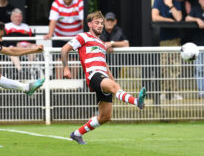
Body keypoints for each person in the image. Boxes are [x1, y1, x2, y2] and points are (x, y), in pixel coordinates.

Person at [61, 11, 146, 145]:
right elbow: (64, 49)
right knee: (113, 89)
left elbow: (104, 65)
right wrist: (66, 68)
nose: (100, 25)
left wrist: (113, 81)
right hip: (93, 75)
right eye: (97, 23)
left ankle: (77, 134)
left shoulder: (101, 43)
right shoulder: (83, 36)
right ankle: (137, 101)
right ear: (89, 24)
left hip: (103, 76)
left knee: (105, 117)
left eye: (102, 23)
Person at [152, 0, 183, 101]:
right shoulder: (157, 1)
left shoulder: (175, 3)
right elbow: (154, 17)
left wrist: (170, 5)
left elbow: (179, 18)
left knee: (176, 67)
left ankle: (175, 93)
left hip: (175, 40)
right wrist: (169, 21)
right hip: (163, 40)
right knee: (164, 67)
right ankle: (164, 93)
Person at [185, 0, 204, 99]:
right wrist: (196, 20)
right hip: (197, 47)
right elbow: (186, 18)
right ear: (199, 0)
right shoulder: (195, 9)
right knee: (199, 70)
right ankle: (202, 93)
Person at [4, 8, 36, 72]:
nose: (18, 18)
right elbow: (5, 40)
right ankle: (19, 70)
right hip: (14, 47)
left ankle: (28, 69)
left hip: (27, 47)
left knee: (34, 47)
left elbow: (33, 39)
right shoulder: (7, 26)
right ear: (11, 18)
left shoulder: (26, 26)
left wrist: (30, 43)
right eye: (16, 16)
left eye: (20, 16)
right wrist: (16, 43)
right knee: (11, 50)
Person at [99, 12, 129, 79]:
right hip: (101, 61)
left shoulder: (119, 31)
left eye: (111, 20)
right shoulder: (99, 30)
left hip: (115, 62)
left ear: (115, 22)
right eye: (107, 20)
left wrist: (112, 43)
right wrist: (105, 47)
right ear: (104, 21)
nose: (109, 22)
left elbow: (126, 44)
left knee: (113, 80)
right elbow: (94, 42)